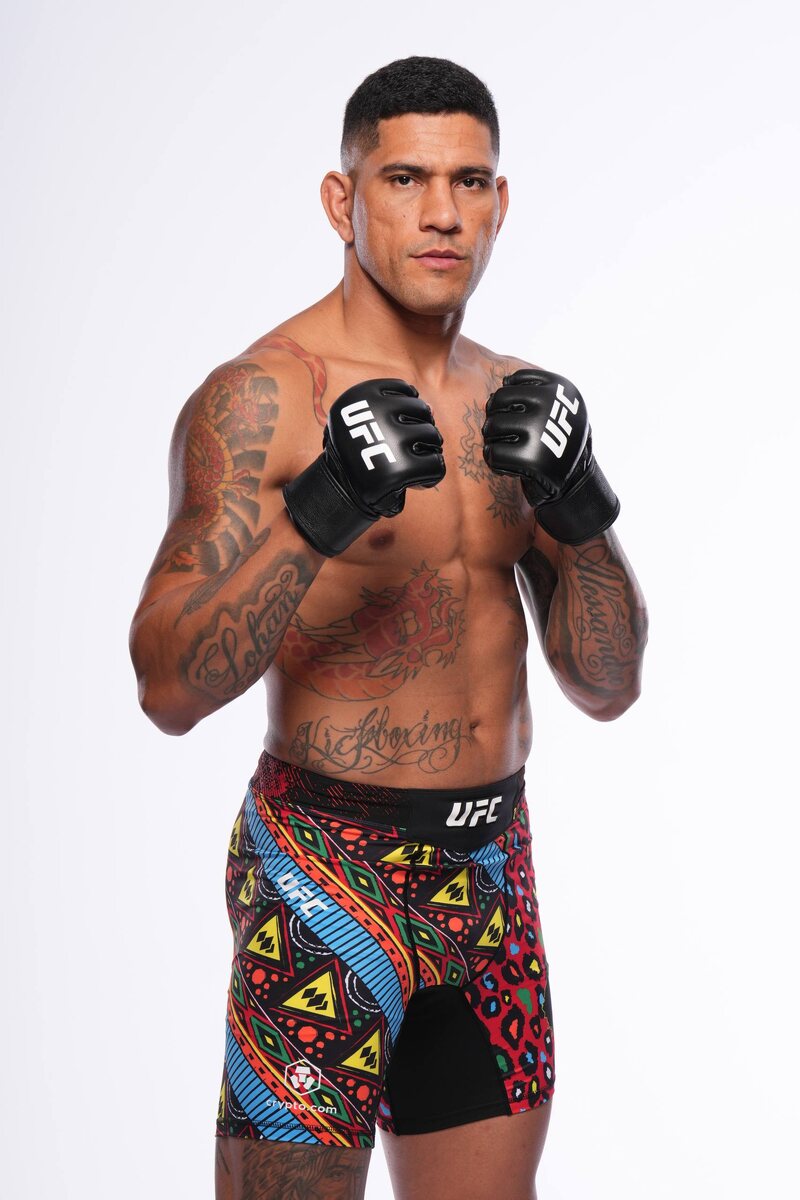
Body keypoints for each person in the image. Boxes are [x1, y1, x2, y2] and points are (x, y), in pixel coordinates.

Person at [129, 55, 648, 1200]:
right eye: (404, 178)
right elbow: (167, 688)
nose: (440, 213)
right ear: (342, 199)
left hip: (490, 873)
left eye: (469, 182)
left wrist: (581, 510)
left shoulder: (519, 401)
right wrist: (322, 509)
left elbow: (607, 686)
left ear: (499, 202)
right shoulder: (261, 399)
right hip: (322, 871)